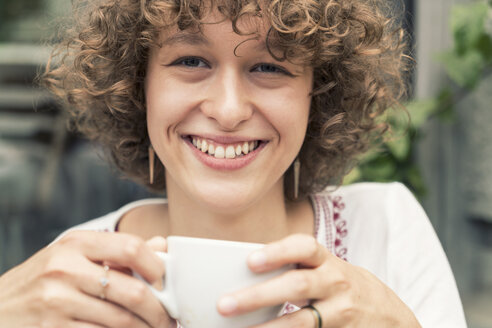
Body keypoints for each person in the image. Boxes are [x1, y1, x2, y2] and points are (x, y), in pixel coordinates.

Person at [0, 0, 467, 327]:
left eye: (270, 67)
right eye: (190, 60)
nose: (228, 110)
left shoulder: (386, 228)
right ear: (138, 84)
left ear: (318, 94)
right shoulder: (76, 273)